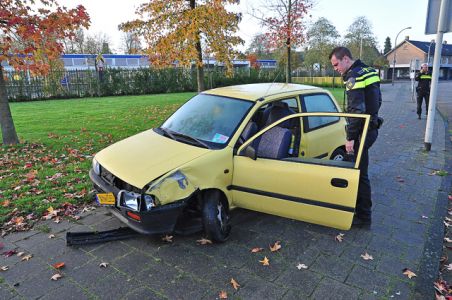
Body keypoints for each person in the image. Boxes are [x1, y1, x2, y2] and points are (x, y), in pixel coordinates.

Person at [329, 47, 382, 226]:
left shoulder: (354, 76)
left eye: (336, 64)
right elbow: (376, 101)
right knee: (361, 172)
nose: (336, 68)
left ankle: (363, 216)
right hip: (372, 126)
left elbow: (356, 111)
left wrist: (350, 138)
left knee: (360, 174)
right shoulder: (368, 70)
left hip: (362, 131)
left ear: (345, 59)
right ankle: (360, 211)